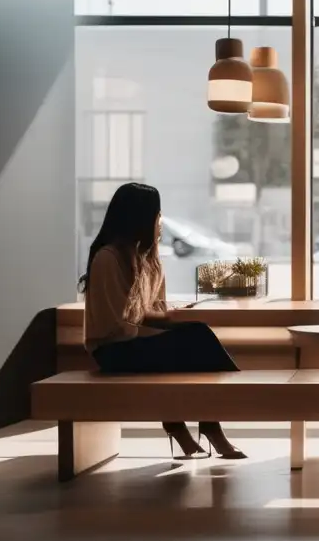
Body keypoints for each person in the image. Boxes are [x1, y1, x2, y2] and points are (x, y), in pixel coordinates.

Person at [80, 182, 245, 460]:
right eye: (157, 215)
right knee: (197, 338)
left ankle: (191, 423)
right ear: (141, 218)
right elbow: (115, 326)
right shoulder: (107, 259)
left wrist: (173, 319)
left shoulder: (149, 259)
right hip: (112, 349)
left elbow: (150, 311)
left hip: (135, 340)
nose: (161, 222)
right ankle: (211, 422)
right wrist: (167, 329)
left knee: (195, 336)